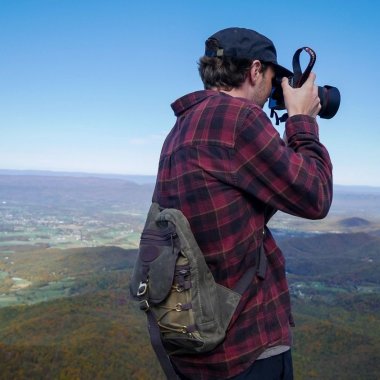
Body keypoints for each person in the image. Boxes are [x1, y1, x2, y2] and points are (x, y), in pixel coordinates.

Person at [152, 27, 333, 380]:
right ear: (254, 71)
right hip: (247, 350)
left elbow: (247, 203)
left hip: (197, 345)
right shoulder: (239, 120)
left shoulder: (182, 129)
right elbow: (316, 196)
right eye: (271, 77)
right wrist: (302, 121)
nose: (270, 92)